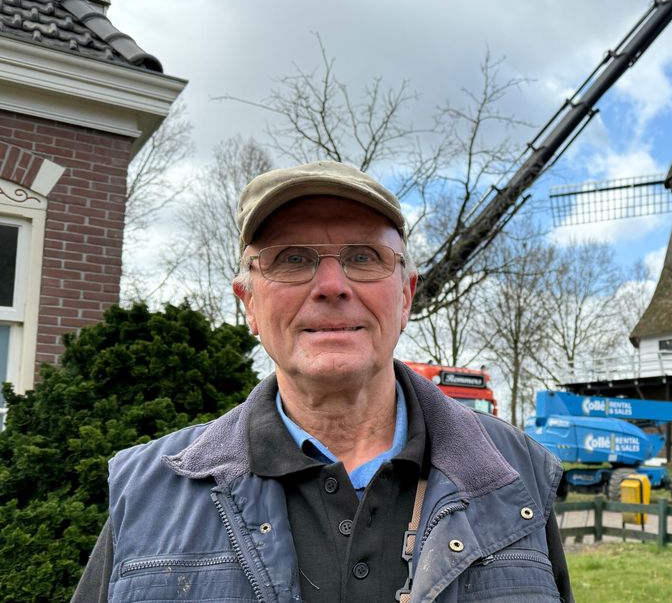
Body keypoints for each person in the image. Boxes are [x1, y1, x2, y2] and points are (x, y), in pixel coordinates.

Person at [72, 160, 572, 602]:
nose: (332, 287)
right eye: (292, 259)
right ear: (249, 304)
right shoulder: (148, 492)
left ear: (405, 297)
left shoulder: (518, 474)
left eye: (363, 257)